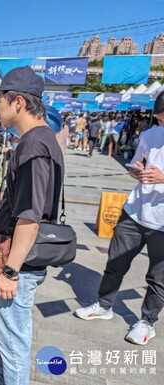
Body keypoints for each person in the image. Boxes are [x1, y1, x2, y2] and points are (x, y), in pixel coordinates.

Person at [0, 66, 64, 385]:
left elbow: (30, 216)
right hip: (21, 258)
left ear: (18, 102)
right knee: (12, 336)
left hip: (17, 261)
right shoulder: (44, 139)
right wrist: (2, 196)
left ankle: (12, 379)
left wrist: (10, 272)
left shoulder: (34, 145)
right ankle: (5, 378)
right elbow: (32, 198)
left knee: (13, 342)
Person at [74, 91, 164, 345]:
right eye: (158, 119)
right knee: (115, 262)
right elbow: (137, 163)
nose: (161, 124)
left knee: (158, 277)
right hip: (135, 211)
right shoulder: (149, 135)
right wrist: (136, 172)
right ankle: (104, 305)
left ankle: (147, 322)